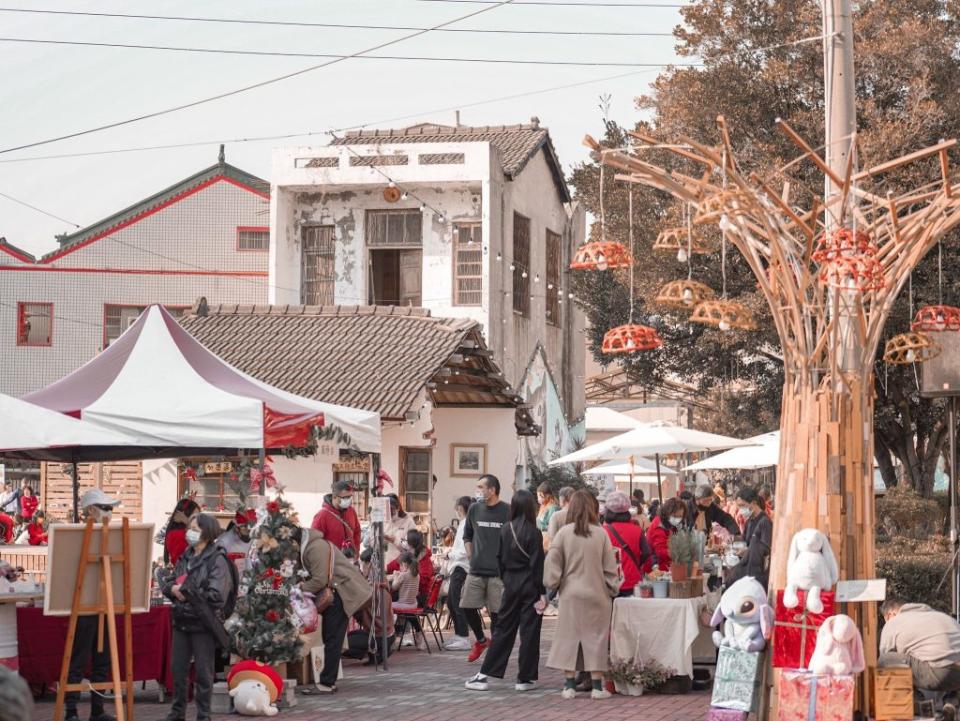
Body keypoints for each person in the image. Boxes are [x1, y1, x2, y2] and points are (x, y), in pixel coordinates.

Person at [544, 490, 622, 699]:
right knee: (595, 639)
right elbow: (610, 568)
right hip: (597, 595)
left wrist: (553, 584)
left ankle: (569, 685)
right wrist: (612, 588)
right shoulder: (601, 534)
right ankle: (597, 687)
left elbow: (552, 564)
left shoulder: (563, 533)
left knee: (569, 639)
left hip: (570, 595)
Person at [466, 489, 546, 692]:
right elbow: (538, 565)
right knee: (530, 632)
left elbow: (499, 560)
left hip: (510, 583)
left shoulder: (505, 529)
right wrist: (542, 592)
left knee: (503, 629)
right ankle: (524, 678)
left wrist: (507, 580)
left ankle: (485, 674)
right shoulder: (534, 532)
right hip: (530, 585)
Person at [162, 514, 235, 721]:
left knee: (204, 672)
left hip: (203, 622)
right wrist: (172, 589)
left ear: (207, 532)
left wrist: (185, 592)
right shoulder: (185, 556)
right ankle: (177, 713)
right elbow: (170, 581)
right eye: (189, 528)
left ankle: (203, 715)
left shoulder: (217, 559)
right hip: (182, 620)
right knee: (178, 670)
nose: (189, 532)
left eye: (194, 528)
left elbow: (217, 595)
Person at [65, 489, 121, 721]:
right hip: (83, 605)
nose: (109, 512)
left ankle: (97, 709)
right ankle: (71, 710)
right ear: (91, 510)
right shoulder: (74, 536)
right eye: (105, 508)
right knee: (77, 660)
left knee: (103, 661)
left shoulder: (116, 535)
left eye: (111, 508)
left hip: (106, 605)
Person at [300, 525, 373, 693]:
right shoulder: (315, 545)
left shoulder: (315, 547)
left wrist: (300, 588)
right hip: (340, 595)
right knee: (332, 639)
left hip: (340, 596)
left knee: (333, 639)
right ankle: (328, 681)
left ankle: (326, 682)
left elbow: (319, 580)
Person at [461, 474, 511, 664]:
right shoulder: (474, 509)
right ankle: (481, 640)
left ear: (492, 490)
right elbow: (467, 535)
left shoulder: (507, 510)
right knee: (466, 606)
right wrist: (470, 554)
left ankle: (495, 655)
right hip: (476, 570)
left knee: (497, 615)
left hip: (498, 573)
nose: (478, 490)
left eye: (481, 487)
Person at [880, 597, 960, 703]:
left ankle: (916, 702)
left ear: (890, 615)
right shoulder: (940, 616)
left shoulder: (893, 622)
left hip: (940, 674)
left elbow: (885, 655)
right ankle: (952, 701)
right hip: (956, 674)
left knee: (885, 660)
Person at [603, 491, 650, 597]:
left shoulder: (604, 531)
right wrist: (637, 562)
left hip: (611, 582)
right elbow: (647, 552)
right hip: (633, 581)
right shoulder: (636, 530)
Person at [443, 496, 475, 651]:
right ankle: (459, 633)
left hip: (461, 566)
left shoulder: (466, 525)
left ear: (460, 509)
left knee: (455, 601)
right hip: (458, 566)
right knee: (451, 601)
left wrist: (449, 554)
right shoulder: (464, 523)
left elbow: (463, 551)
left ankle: (463, 637)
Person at [733, 486, 772, 589]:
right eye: (739, 506)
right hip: (747, 568)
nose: (741, 510)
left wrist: (748, 551)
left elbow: (766, 551)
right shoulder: (749, 521)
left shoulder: (764, 522)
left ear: (753, 503)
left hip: (757, 574)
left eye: (742, 505)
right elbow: (745, 541)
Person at [311, 480, 362, 559]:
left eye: (350, 496)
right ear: (334, 497)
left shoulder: (351, 511)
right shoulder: (322, 516)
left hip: (350, 561)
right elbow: (314, 541)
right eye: (345, 497)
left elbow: (357, 531)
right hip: (332, 563)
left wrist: (356, 550)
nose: (349, 500)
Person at [391, 551, 427, 650]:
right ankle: (419, 636)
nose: (400, 567)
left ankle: (390, 633)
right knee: (410, 615)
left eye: (400, 565)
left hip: (403, 605)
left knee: (386, 605)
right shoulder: (417, 575)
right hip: (413, 604)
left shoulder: (403, 575)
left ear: (405, 564)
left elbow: (394, 587)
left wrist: (395, 576)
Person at [644, 497, 687, 573]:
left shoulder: (668, 523)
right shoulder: (659, 526)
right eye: (675, 516)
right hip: (656, 568)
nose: (678, 519)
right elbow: (660, 551)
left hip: (664, 565)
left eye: (680, 516)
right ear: (667, 513)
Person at [215, 508, 256, 574]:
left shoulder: (254, 537)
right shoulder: (224, 542)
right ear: (237, 528)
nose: (249, 533)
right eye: (245, 530)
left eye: (251, 529)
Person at [383, 493, 417, 566]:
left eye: (391, 510)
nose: (388, 514)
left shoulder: (408, 521)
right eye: (385, 510)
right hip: (384, 565)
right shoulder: (383, 521)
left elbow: (411, 546)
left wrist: (395, 540)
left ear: (398, 508)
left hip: (401, 565)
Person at [164, 497, 200, 566]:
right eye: (194, 517)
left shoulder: (187, 532)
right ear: (183, 515)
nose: (198, 520)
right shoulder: (178, 535)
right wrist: (188, 522)